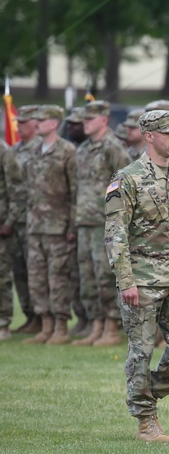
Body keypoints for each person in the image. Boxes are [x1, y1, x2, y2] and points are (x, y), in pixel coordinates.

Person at [105, 110, 169, 442]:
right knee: (141, 349)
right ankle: (146, 421)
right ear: (149, 136)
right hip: (143, 280)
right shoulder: (127, 178)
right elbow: (115, 234)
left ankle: (146, 393)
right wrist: (126, 280)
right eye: (168, 133)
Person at [73, 100, 132, 347]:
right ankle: (96, 323)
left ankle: (111, 325)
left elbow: (126, 185)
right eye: (83, 120)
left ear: (103, 120)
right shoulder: (84, 149)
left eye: (89, 119)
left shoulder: (113, 148)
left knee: (106, 275)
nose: (85, 124)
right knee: (88, 276)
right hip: (84, 220)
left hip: (105, 222)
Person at [24, 106, 77, 345]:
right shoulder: (34, 151)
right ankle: (45, 324)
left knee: (58, 278)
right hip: (35, 226)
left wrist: (72, 225)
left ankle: (61, 327)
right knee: (37, 278)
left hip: (58, 226)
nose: (36, 124)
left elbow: (75, 191)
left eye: (42, 120)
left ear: (54, 123)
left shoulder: (67, 151)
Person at [11, 106, 40, 334]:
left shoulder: (39, 149)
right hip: (15, 218)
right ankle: (30, 315)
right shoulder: (16, 149)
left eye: (23, 122)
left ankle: (41, 317)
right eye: (17, 122)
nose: (18, 126)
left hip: (35, 219)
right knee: (20, 271)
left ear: (35, 124)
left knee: (35, 271)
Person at [0, 139, 24, 340]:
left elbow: (16, 190)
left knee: (2, 277)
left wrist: (9, 221)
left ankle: (3, 324)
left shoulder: (4, 152)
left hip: (1, 225)